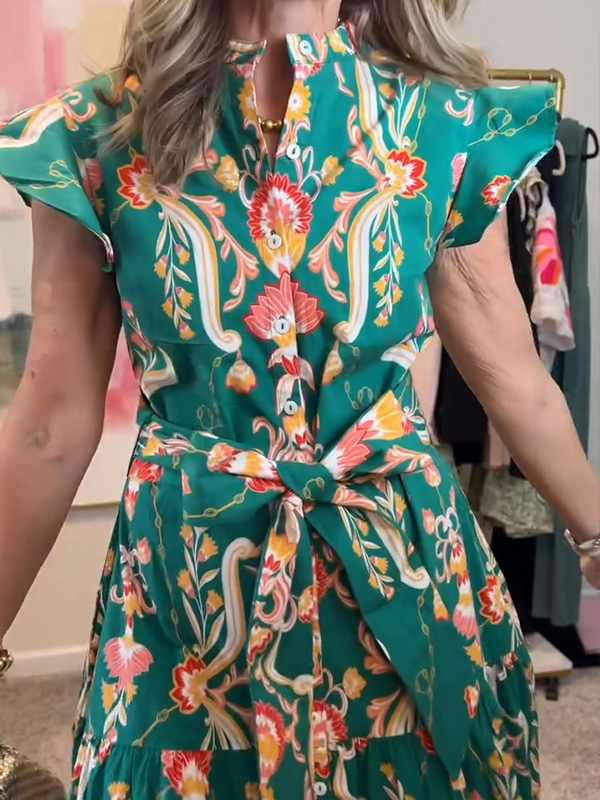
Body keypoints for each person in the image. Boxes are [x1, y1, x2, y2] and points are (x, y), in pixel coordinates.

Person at [0, 1, 598, 797]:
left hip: (404, 589)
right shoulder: (95, 134)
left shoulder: (440, 121)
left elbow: (516, 379)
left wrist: (596, 535)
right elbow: (49, 425)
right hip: (190, 619)